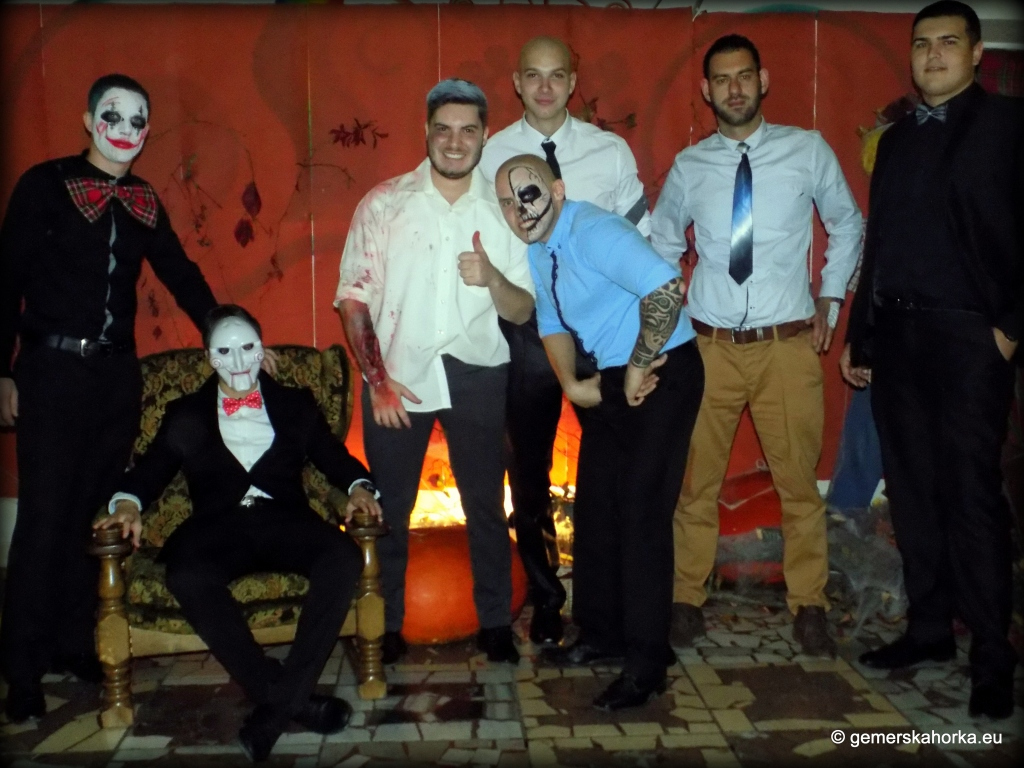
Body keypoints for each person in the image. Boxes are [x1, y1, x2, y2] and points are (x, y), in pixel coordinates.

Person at [0, 73, 220, 723]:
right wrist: (1, 373)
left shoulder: (144, 199)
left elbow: (181, 273)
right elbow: (6, 278)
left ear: (148, 130)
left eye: (137, 121)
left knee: (93, 517)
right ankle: (20, 668)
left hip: (116, 379)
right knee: (43, 519)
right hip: (50, 373)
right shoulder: (45, 185)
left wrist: (227, 332)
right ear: (88, 119)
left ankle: (73, 645)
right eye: (113, 116)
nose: (125, 130)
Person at [650, 35, 863, 657]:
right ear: (706, 90)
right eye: (722, 79)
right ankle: (686, 598)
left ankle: (809, 604)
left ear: (763, 80)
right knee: (695, 484)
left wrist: (830, 299)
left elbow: (848, 223)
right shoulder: (690, 166)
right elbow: (662, 243)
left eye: (744, 76)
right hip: (707, 348)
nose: (734, 88)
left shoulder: (807, 150)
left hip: (785, 347)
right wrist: (667, 321)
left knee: (799, 485)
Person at [96, 305, 381, 760]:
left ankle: (275, 709)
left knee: (343, 557)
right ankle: (292, 701)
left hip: (285, 520)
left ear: (261, 349)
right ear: (211, 358)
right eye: (225, 352)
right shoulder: (185, 412)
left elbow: (334, 457)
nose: (240, 361)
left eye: (248, 347)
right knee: (186, 574)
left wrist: (359, 486)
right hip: (218, 526)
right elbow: (151, 470)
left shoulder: (296, 403)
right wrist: (127, 502)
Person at [843, 0, 1022, 720]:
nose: (934, 54)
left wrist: (1010, 328)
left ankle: (993, 657)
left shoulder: (1008, 126)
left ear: (976, 53)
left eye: (949, 42)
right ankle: (928, 630)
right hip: (899, 337)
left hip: (971, 339)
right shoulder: (895, 141)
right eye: (922, 44)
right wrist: (862, 336)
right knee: (912, 490)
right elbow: (879, 242)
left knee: (970, 496)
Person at [335, 79, 535, 667]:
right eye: (443, 129)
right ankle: (388, 625)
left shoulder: (504, 211)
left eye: (468, 130)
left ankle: (495, 622)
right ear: (426, 131)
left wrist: (492, 278)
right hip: (398, 377)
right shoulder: (384, 204)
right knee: (391, 510)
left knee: (486, 507)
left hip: (481, 374)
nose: (454, 141)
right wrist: (377, 381)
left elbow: (523, 309)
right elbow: (353, 299)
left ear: (485, 135)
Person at [495, 153, 703, 710]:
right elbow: (551, 321)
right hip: (613, 376)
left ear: (558, 190)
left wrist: (637, 364)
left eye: (529, 195)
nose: (520, 211)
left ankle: (647, 663)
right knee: (596, 509)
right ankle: (603, 634)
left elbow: (666, 289)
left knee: (640, 514)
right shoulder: (540, 248)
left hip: (663, 370)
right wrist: (570, 383)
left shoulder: (593, 230)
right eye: (508, 203)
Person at [478, 36, 652, 647]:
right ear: (517, 82)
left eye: (557, 75)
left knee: (614, 469)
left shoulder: (609, 151)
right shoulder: (490, 155)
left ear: (573, 83)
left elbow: (642, 236)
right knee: (528, 472)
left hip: (603, 331)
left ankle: (611, 597)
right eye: (534, 76)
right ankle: (547, 597)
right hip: (529, 328)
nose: (546, 87)